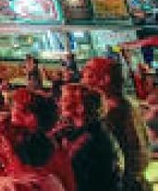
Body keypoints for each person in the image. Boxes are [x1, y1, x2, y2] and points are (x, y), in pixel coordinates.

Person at [83, 57, 150, 191]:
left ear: (105, 79)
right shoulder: (127, 104)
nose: (83, 78)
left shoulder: (111, 113)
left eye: (89, 73)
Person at [54, 83, 124, 191]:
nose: (59, 104)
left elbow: (69, 177)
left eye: (64, 100)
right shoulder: (88, 130)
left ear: (80, 107)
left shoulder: (91, 141)